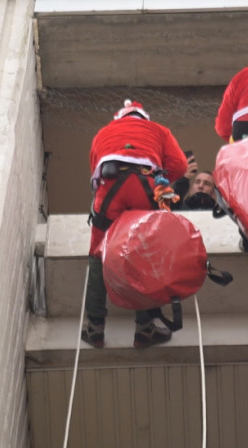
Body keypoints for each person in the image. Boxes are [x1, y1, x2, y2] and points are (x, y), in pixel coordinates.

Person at [84, 99, 188, 349]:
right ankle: (145, 327)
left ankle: (94, 327)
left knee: (98, 253)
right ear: (143, 117)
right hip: (146, 187)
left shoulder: (104, 132)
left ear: (119, 116)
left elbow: (94, 169)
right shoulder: (159, 131)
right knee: (144, 254)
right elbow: (180, 165)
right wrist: (160, 179)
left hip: (110, 189)